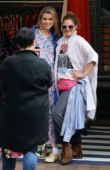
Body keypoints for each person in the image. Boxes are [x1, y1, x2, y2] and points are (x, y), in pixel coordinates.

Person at [0, 27, 52, 170]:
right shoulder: (42, 64)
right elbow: (49, 83)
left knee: (9, 150)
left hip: (11, 115)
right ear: (33, 42)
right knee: (31, 150)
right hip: (36, 115)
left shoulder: (7, 63)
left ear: (17, 44)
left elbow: (0, 83)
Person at [52, 12, 98, 165]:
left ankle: (66, 146)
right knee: (71, 116)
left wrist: (83, 73)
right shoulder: (59, 42)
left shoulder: (79, 40)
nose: (67, 29)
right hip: (62, 86)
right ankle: (77, 146)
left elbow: (93, 56)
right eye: (64, 27)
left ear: (76, 27)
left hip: (74, 86)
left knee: (57, 113)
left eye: (70, 26)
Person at [32, 6, 61, 162]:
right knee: (37, 113)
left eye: (50, 19)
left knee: (50, 114)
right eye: (44, 18)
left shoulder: (56, 36)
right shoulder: (33, 34)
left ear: (54, 20)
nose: (47, 21)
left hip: (51, 81)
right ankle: (40, 147)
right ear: (40, 19)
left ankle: (55, 148)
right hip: (35, 79)